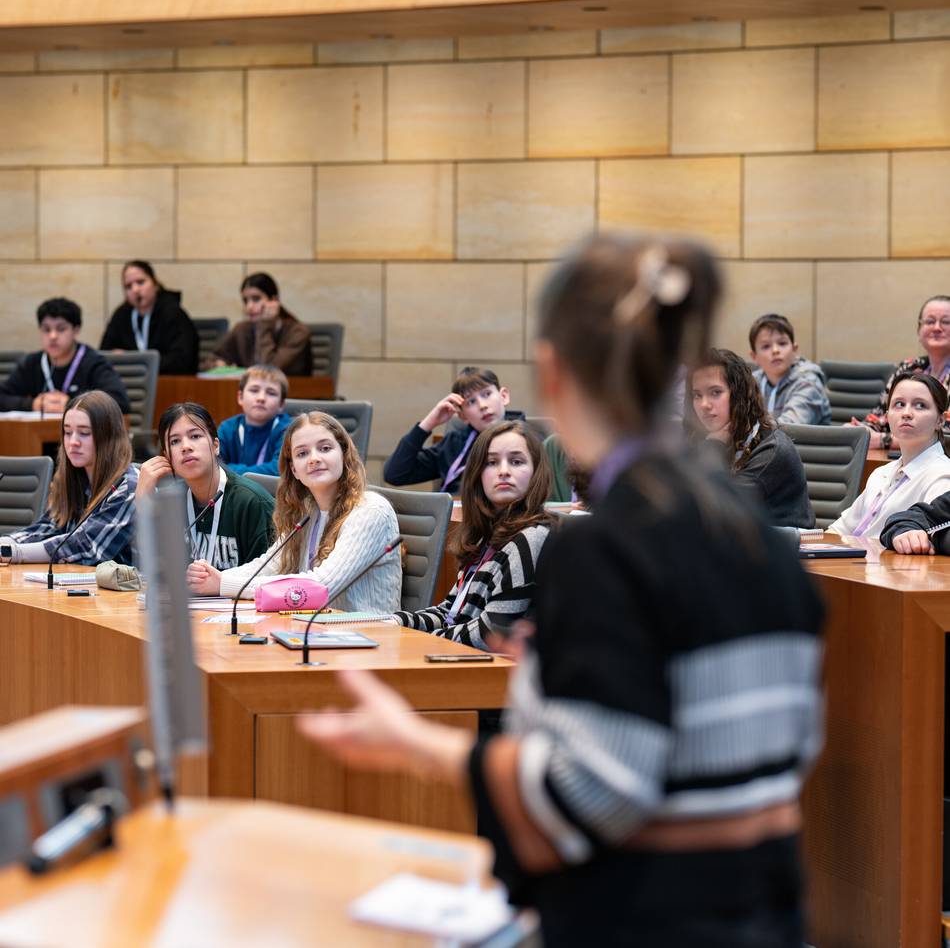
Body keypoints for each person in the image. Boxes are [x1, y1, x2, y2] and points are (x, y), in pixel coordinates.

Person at [296, 234, 824, 947]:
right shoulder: (765, 534)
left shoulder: (603, 546)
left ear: (553, 372)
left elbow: (590, 795)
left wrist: (418, 745)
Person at [186, 411, 401, 612]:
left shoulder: (370, 510)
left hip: (369, 639)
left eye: (325, 448)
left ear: (344, 455)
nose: (314, 458)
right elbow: (267, 566)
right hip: (316, 632)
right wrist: (211, 580)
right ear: (294, 469)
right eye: (302, 453)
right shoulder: (307, 511)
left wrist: (222, 583)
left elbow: (321, 586)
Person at [395, 420, 551, 652]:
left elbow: (493, 632)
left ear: (536, 472)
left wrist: (421, 642)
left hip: (497, 675)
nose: (504, 470)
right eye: (492, 462)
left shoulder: (531, 538)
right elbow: (451, 611)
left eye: (517, 461)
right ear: (477, 474)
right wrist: (399, 622)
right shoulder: (486, 537)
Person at [3, 391, 137, 565]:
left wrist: (15, 552)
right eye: (67, 432)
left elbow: (87, 547)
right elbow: (49, 528)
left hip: (133, 590)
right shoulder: (75, 477)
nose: (73, 442)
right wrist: (6, 542)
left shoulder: (129, 486)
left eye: (84, 433)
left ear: (108, 436)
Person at [136, 403, 274, 569]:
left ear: (215, 446)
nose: (186, 446)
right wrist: (142, 502)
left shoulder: (251, 502)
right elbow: (151, 570)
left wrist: (220, 584)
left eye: (195, 436)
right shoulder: (170, 502)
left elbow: (266, 579)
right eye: (175, 441)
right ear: (167, 457)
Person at [689, 348, 815, 528]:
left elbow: (716, 511)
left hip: (786, 550)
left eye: (715, 392)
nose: (704, 405)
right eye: (697, 395)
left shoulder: (771, 450)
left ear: (738, 394)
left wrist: (713, 446)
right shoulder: (700, 439)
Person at [829, 372, 950, 541]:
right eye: (899, 404)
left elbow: (933, 538)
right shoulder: (881, 473)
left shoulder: (943, 476)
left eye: (920, 405)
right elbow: (840, 529)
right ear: (887, 416)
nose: (906, 413)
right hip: (851, 560)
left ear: (941, 420)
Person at [384, 366, 524, 495]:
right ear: (463, 415)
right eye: (471, 402)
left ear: (503, 396)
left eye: (486, 394)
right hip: (454, 518)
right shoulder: (454, 444)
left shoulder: (527, 440)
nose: (482, 405)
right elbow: (395, 474)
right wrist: (427, 424)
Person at [848, 294, 950, 449]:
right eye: (929, 321)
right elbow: (881, 415)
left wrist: (885, 440)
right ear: (919, 331)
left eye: (946, 322)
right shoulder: (909, 367)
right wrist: (862, 431)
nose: (936, 328)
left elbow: (946, 434)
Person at [0, 297, 129, 415]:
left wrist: (73, 404)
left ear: (76, 330)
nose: (53, 336)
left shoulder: (93, 362)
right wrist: (32, 404)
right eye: (46, 329)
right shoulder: (32, 363)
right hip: (38, 436)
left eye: (61, 329)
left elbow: (120, 402)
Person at [100, 260, 199, 375]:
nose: (135, 290)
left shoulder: (173, 313)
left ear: (155, 283)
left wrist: (133, 360)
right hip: (130, 385)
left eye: (140, 282)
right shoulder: (122, 315)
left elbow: (181, 361)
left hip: (169, 384)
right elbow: (103, 356)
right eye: (128, 286)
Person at [209, 273, 312, 376]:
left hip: (290, 390)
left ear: (274, 300)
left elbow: (268, 370)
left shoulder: (298, 332)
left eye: (256, 299)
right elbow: (211, 359)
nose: (249, 306)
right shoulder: (242, 329)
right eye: (245, 301)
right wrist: (218, 364)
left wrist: (265, 325)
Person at [748, 313, 831, 426]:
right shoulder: (750, 382)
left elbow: (789, 428)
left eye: (782, 343)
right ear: (754, 356)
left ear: (794, 350)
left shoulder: (809, 383)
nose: (775, 350)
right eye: (766, 346)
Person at [216, 365, 292, 477]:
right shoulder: (227, 428)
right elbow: (213, 465)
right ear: (240, 397)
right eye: (254, 390)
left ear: (281, 404)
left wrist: (231, 470)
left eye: (271, 393)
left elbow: (279, 469)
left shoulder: (288, 430)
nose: (261, 398)